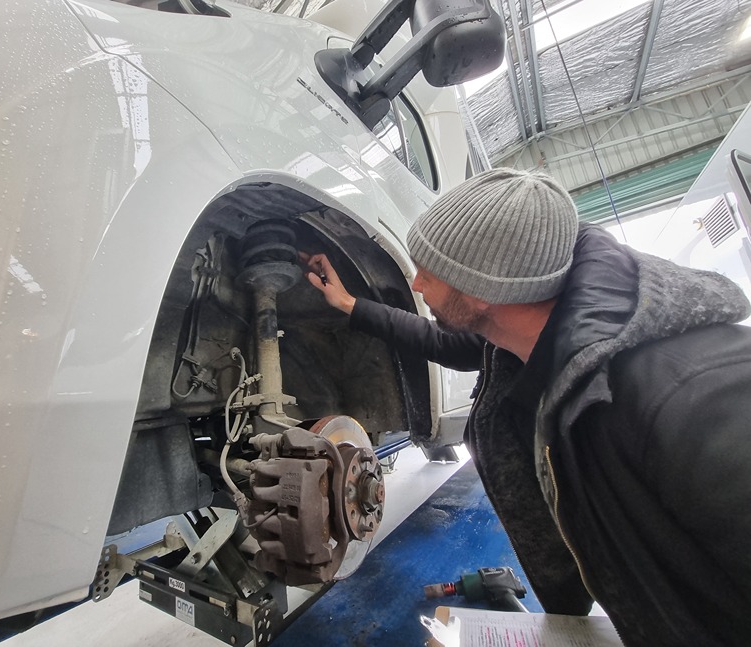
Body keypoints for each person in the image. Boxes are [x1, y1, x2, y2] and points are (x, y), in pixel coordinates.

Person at [301, 168, 751, 646]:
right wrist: (351, 304)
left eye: (428, 273)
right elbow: (446, 342)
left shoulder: (699, 397)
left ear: (480, 291)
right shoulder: (523, 329)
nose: (414, 284)